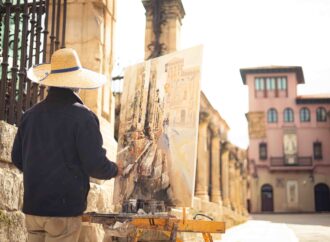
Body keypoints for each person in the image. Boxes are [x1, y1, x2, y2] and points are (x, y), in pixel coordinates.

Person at [11, 48, 121, 242]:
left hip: (33, 209)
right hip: (63, 211)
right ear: (77, 84)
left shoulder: (30, 116)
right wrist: (115, 170)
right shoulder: (83, 117)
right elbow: (95, 164)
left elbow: (17, 158)